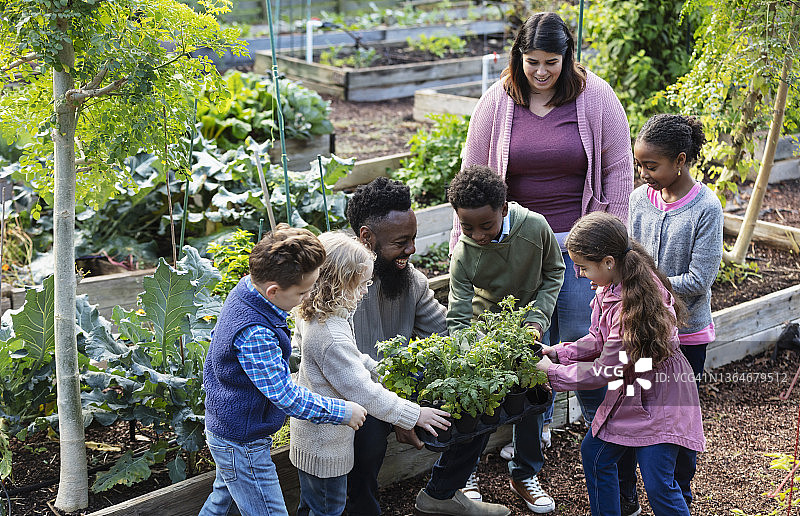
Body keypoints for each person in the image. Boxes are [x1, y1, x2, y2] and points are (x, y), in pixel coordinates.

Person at [451, 12, 634, 502]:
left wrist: (613, 247)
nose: (540, 72)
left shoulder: (596, 98)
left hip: (580, 249)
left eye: (551, 62)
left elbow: (618, 171)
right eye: (532, 61)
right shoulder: (498, 101)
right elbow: (472, 172)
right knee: (524, 352)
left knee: (588, 344)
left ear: (567, 57)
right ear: (519, 57)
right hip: (516, 246)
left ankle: (607, 443)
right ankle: (527, 455)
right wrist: (463, 247)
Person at [345, 176, 511, 516]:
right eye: (401, 242)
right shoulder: (338, 287)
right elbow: (344, 366)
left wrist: (500, 353)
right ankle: (361, 508)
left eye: (413, 238)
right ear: (367, 238)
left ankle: (441, 494)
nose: (412, 250)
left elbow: (449, 333)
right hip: (351, 394)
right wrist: (398, 411)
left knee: (481, 401)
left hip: (399, 386)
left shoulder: (412, 282)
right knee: (367, 433)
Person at [535, 212, 705, 515]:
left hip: (660, 398)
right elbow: (599, 339)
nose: (578, 274)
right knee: (596, 454)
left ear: (608, 262)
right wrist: (559, 353)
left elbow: (605, 369)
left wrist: (552, 373)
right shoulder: (610, 287)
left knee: (659, 484)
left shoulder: (631, 303)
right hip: (631, 390)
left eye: (583, 266)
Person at [199, 224, 367, 516]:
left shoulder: (248, 289)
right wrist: (342, 411)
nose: (309, 295)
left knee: (221, 505)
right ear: (274, 291)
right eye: (303, 291)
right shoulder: (255, 332)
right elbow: (285, 396)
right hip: (243, 442)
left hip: (228, 429)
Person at [290, 231, 451, 516]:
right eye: (362, 284)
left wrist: (383, 370)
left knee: (313, 505)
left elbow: (351, 358)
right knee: (328, 509)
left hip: (315, 438)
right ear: (340, 284)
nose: (366, 291)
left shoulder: (318, 314)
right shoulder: (330, 335)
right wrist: (414, 414)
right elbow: (364, 391)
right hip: (325, 446)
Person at [448, 165, 565, 514]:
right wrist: (469, 350)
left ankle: (525, 473)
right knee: (477, 404)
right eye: (467, 227)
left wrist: (536, 319)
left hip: (527, 329)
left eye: (486, 226)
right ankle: (466, 473)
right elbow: (458, 314)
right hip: (485, 333)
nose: (478, 235)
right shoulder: (464, 253)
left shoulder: (535, 227)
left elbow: (554, 272)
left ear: (503, 209)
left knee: (530, 399)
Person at [629, 114, 723, 380]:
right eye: (639, 165)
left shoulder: (706, 208)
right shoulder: (639, 200)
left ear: (680, 160)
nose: (643, 174)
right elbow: (629, 256)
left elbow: (699, 280)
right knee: (642, 395)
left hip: (686, 333)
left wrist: (646, 282)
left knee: (680, 401)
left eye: (651, 166)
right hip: (642, 328)